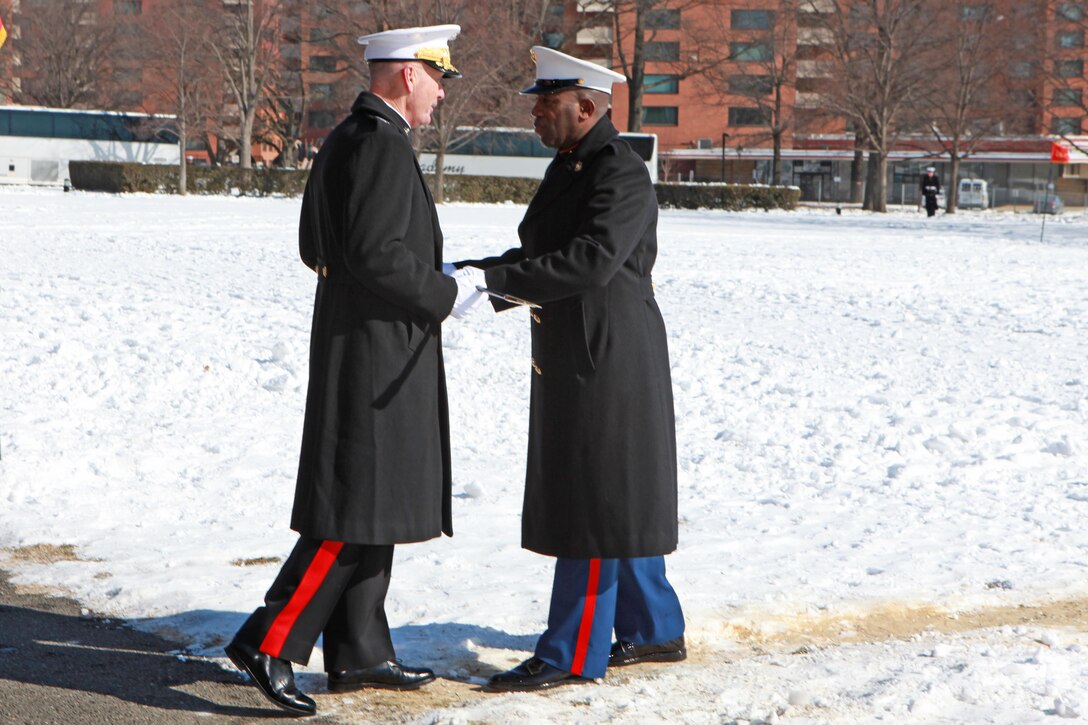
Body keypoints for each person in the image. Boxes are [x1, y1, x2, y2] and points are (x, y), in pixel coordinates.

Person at [224, 25, 487, 717]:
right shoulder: (381, 146)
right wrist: (444, 292)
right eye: (438, 77)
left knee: (376, 501)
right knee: (353, 507)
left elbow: (318, 245)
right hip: (377, 351)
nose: (440, 91)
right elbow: (375, 252)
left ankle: (362, 648)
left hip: (361, 342)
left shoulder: (349, 138)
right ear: (407, 74)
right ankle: (271, 639)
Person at [455, 47, 686, 692]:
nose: (534, 115)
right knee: (617, 492)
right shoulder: (572, 166)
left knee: (594, 497)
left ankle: (569, 652)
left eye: (545, 104)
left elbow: (587, 262)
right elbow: (540, 253)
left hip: (607, 353)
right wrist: (471, 278)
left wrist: (492, 282)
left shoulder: (619, 172)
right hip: (585, 346)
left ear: (586, 106)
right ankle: (654, 630)